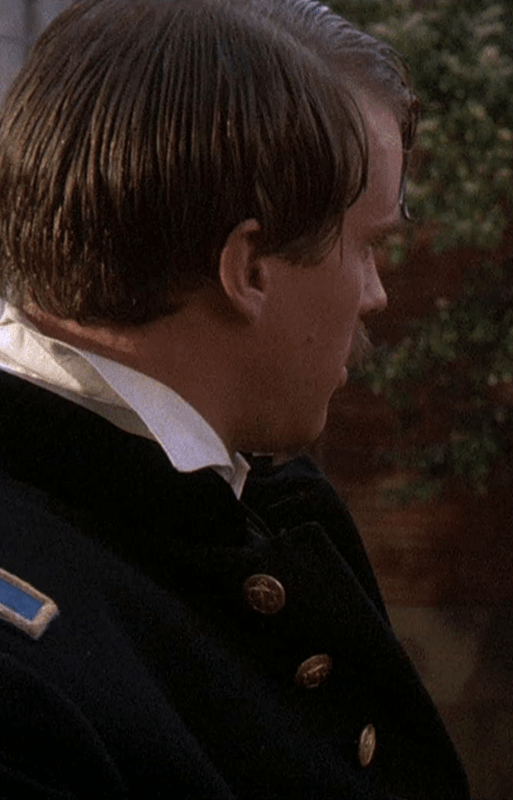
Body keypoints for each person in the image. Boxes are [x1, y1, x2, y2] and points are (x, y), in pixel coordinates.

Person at [0, 0, 468, 797]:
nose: (376, 295)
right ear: (248, 268)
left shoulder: (265, 508)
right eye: (366, 248)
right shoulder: (25, 671)